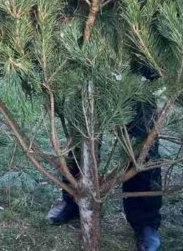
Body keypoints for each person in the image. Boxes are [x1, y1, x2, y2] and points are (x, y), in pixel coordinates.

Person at [46, 100, 162, 251]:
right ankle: (74, 200)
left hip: (139, 79)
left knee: (144, 144)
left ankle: (145, 220)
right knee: (82, 135)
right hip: (88, 81)